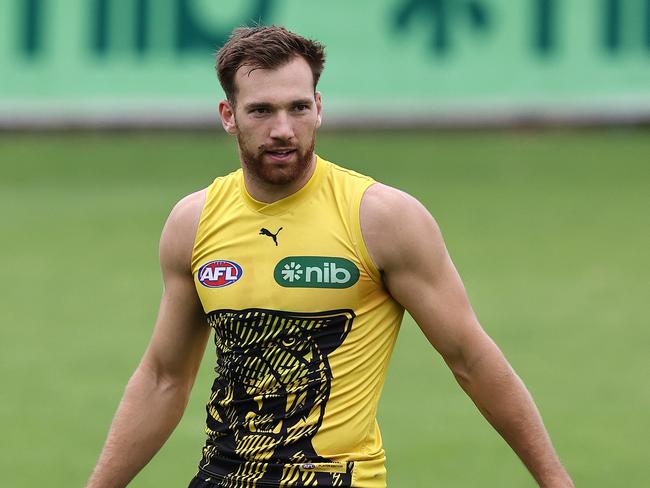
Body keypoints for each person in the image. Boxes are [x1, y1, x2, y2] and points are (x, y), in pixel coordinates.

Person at [87, 26, 574, 488]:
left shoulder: (380, 218)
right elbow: (164, 378)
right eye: (261, 111)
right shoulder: (194, 223)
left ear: (319, 107)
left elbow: (471, 358)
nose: (283, 129)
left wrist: (555, 480)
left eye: (298, 107)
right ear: (228, 115)